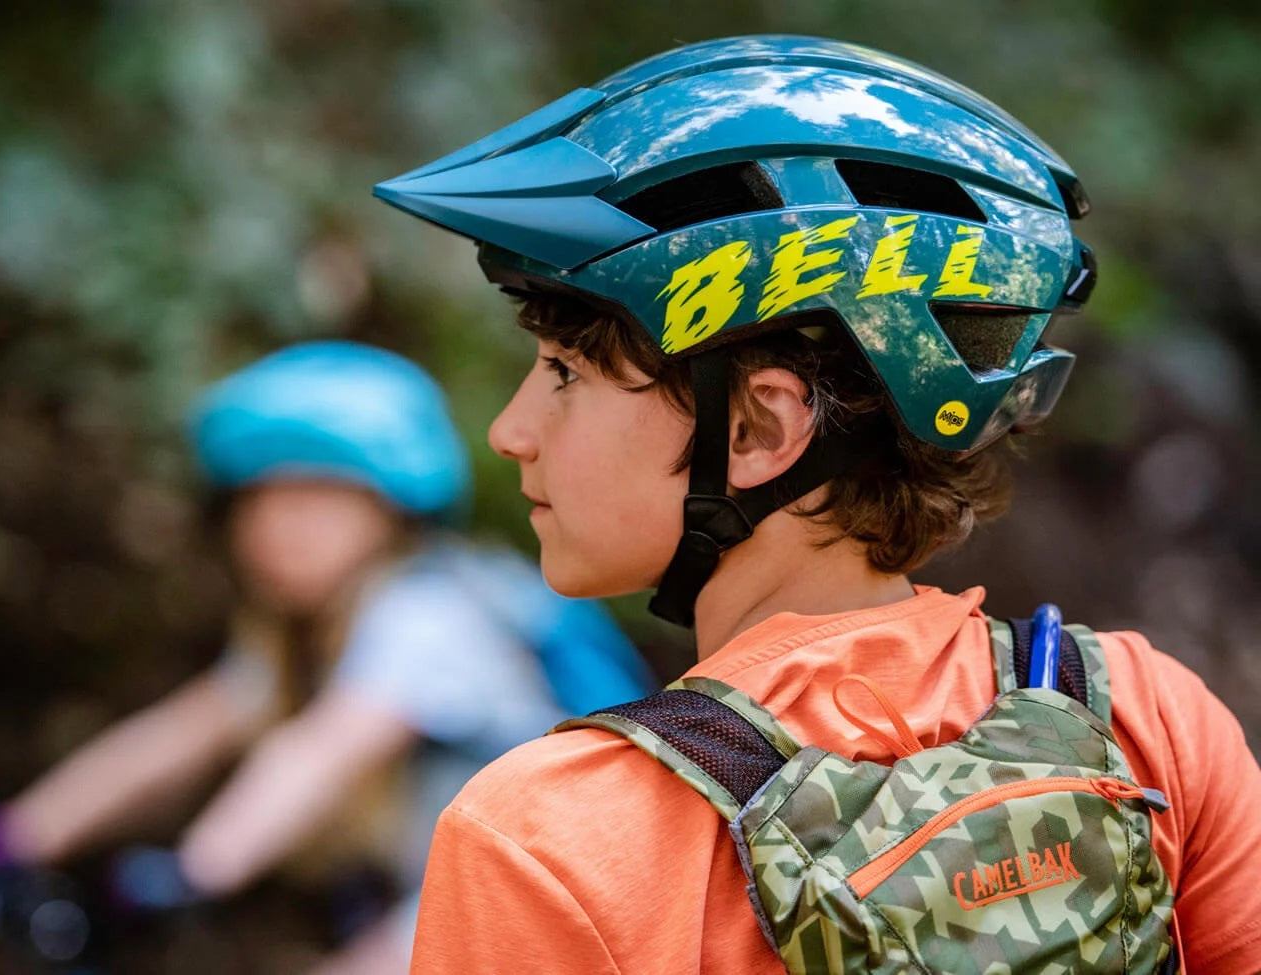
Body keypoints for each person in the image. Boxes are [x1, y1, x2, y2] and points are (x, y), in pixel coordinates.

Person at [374, 34, 1261, 974]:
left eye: (565, 372)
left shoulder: (548, 840)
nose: (509, 430)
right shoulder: (1143, 719)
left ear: (758, 428)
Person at [0, 341, 652, 973]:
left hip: (583, 891)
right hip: (507, 885)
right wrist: (16, 834)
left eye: (318, 496)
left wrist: (196, 869)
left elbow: (322, 749)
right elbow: (175, 737)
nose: (281, 524)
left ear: (391, 513)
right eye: (262, 499)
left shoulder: (428, 613)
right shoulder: (298, 635)